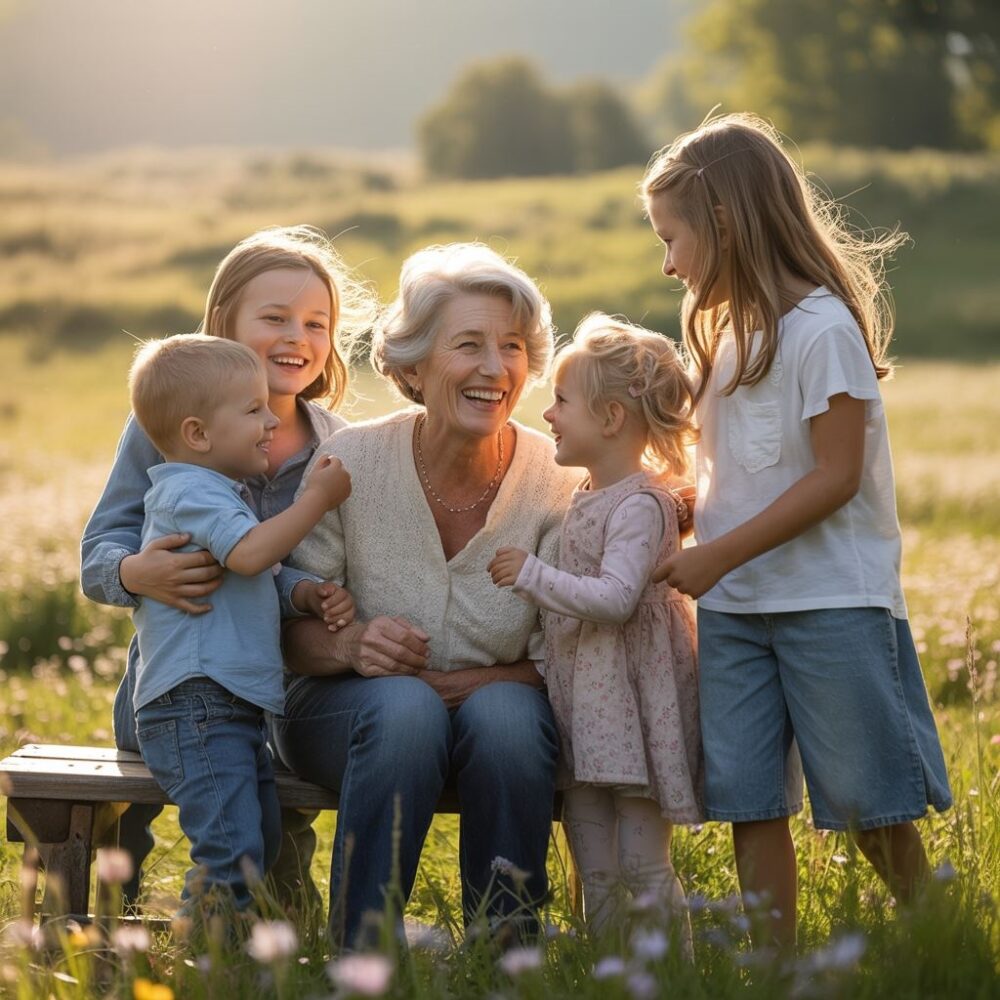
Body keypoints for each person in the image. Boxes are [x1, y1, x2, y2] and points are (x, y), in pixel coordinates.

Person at [641, 113, 952, 950]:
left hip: (829, 604)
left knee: (866, 801)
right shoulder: (720, 341)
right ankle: (776, 961)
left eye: (672, 239)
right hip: (737, 610)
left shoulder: (822, 332)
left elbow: (834, 476)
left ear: (726, 223)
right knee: (747, 798)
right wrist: (679, 505)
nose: (667, 263)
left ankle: (939, 933)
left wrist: (717, 555)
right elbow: (734, 474)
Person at [276, 242, 581, 949]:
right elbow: (290, 632)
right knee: (406, 708)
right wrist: (350, 643)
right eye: (467, 345)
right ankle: (364, 955)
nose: (493, 368)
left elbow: (563, 658)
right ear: (412, 364)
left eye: (511, 346)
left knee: (507, 715)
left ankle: (505, 954)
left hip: (496, 714)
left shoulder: (558, 483)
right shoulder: (351, 462)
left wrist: (461, 687)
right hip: (342, 715)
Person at [80, 225, 376, 907]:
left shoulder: (339, 446)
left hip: (282, 683)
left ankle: (271, 944)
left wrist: (314, 597)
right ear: (223, 325)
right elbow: (100, 551)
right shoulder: (175, 424)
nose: (296, 336)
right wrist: (134, 574)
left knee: (268, 835)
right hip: (185, 675)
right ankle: (107, 923)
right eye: (274, 318)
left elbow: (281, 572)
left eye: (316, 322)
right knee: (150, 821)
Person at [488, 313, 703, 949]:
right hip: (586, 708)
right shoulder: (585, 493)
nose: (548, 415)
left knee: (641, 863)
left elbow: (614, 599)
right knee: (594, 860)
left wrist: (531, 574)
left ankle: (677, 974)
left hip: (633, 710)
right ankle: (607, 967)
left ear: (610, 418)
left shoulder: (640, 503)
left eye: (561, 401)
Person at [125, 334, 352, 910]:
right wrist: (315, 500)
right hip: (197, 704)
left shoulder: (216, 492)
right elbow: (250, 556)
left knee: (260, 842)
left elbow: (253, 575)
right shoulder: (188, 492)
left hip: (228, 706)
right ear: (198, 433)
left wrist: (303, 594)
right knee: (231, 854)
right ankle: (210, 970)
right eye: (253, 410)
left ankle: (236, 955)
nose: (271, 421)